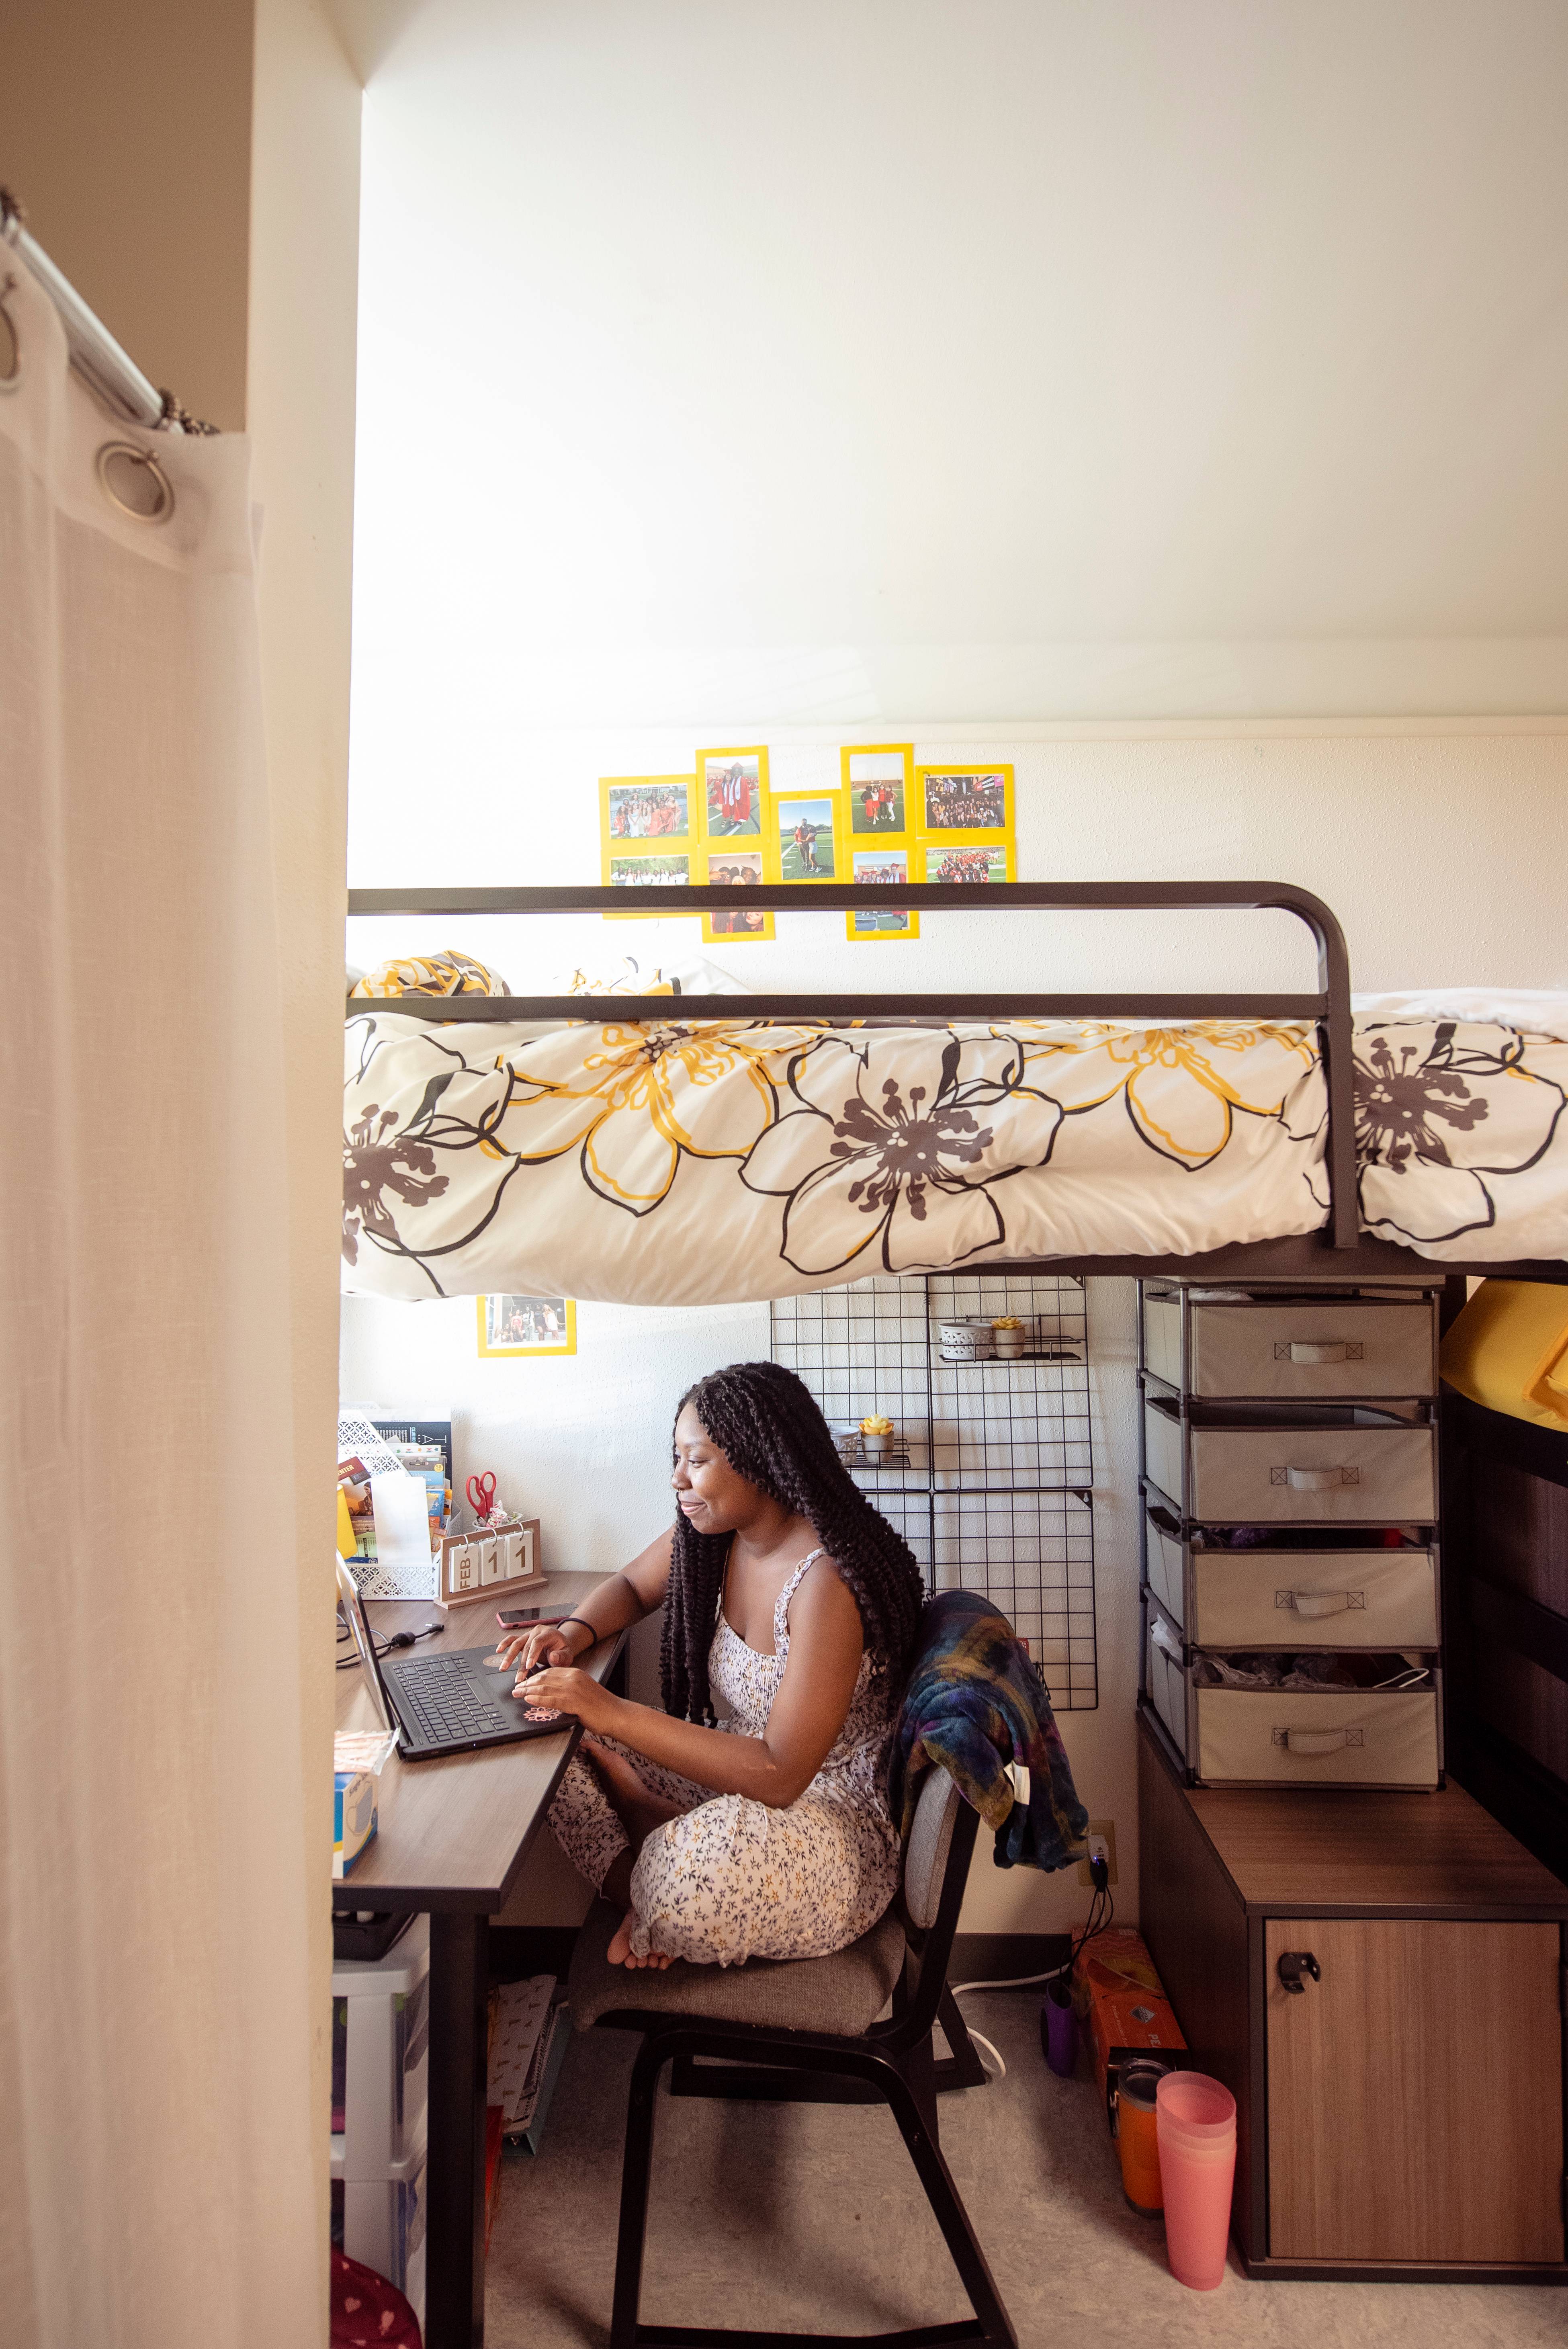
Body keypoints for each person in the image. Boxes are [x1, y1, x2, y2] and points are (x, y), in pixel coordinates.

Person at [499, 1361, 924, 1970]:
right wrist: (571, 1633)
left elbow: (780, 1774)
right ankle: (647, 1876)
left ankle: (655, 1858)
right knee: (547, 1735)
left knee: (696, 1876)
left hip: (829, 1816)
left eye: (695, 1460)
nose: (677, 1478)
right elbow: (630, 1585)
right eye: (677, 1457)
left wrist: (613, 1710)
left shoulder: (826, 1583)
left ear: (759, 1460)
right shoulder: (709, 1533)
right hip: (740, 1763)